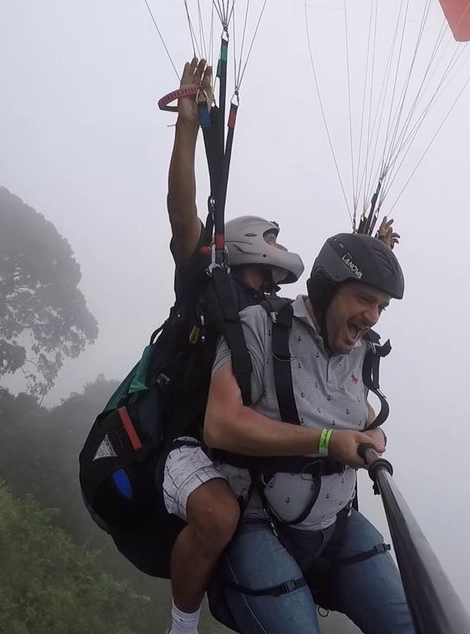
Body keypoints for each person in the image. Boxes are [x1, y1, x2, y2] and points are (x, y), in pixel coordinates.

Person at [202, 232, 414, 634]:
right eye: (364, 299)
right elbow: (220, 423)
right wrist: (325, 442)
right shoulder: (259, 326)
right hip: (258, 518)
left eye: (381, 307)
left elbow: (348, 402)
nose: (372, 317)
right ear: (328, 287)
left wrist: (372, 432)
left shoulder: (361, 349)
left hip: (336, 522)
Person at [159, 57, 305, 634]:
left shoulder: (276, 314)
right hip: (186, 441)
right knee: (219, 515)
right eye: (273, 238)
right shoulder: (206, 282)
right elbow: (183, 216)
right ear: (248, 242)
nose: (279, 249)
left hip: (240, 447)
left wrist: (364, 255)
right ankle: (180, 626)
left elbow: (325, 322)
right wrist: (189, 125)